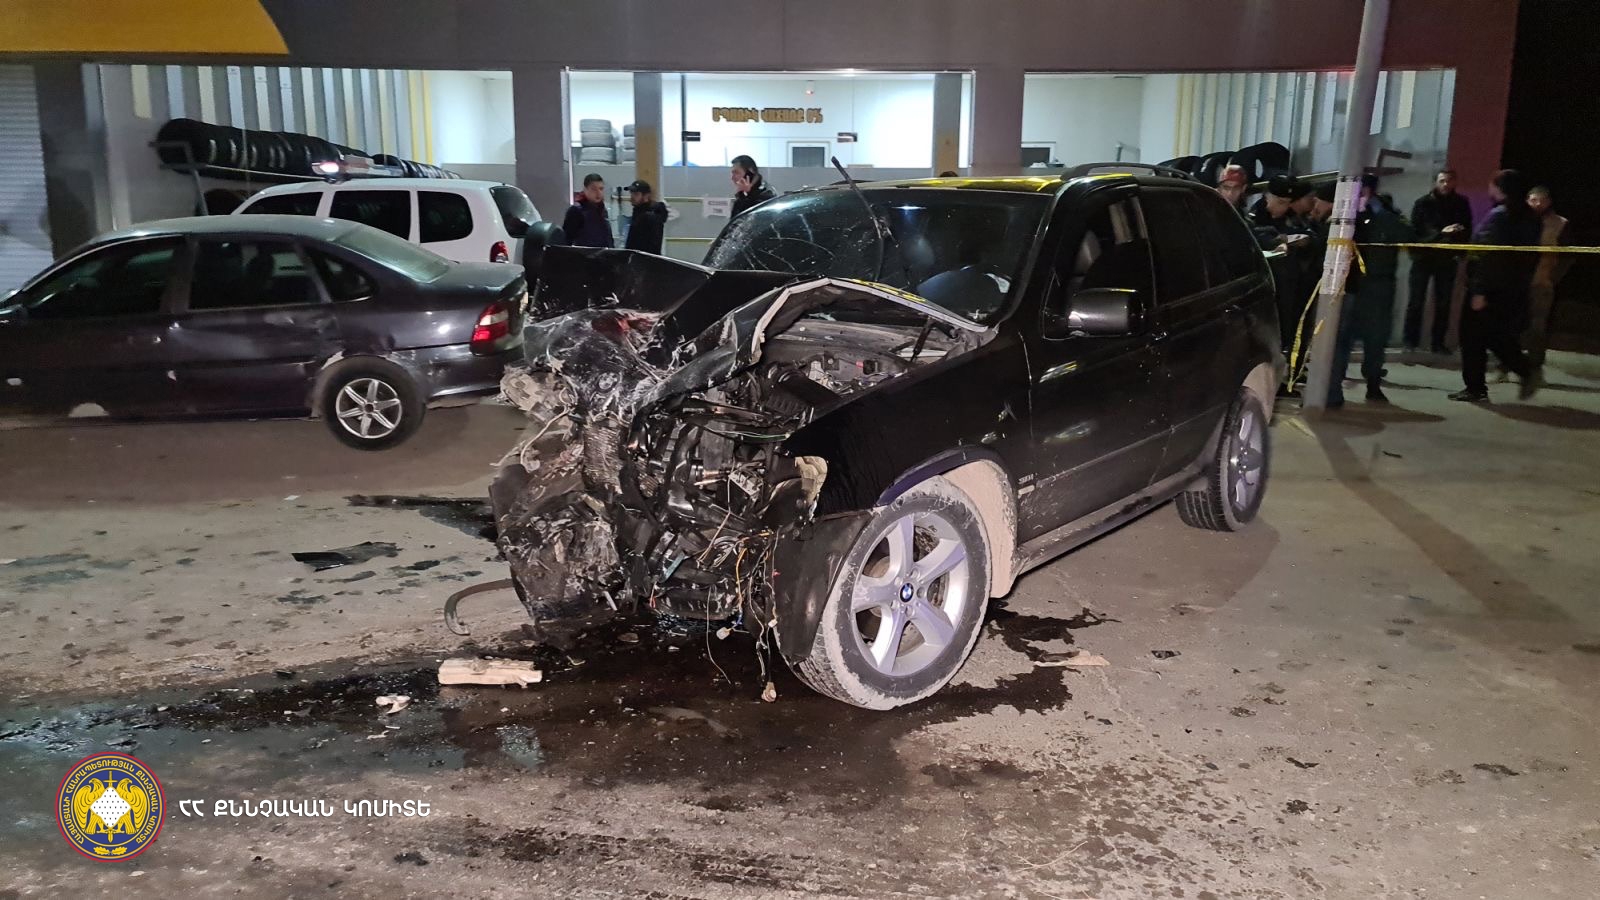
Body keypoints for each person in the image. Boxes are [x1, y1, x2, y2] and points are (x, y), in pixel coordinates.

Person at [1449, 169, 1541, 403]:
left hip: (1488, 288)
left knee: (1474, 337)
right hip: (1511, 287)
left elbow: (1487, 255)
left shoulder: (1500, 216)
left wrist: (1479, 290)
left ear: (1501, 189)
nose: (1489, 188)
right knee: (1494, 334)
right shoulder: (1530, 217)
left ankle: (1482, 385)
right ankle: (1522, 370)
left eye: (1492, 184)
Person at [1327, 175, 1412, 407]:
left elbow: (1408, 236)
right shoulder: (1346, 213)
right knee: (1341, 338)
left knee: (1375, 338)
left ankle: (1373, 384)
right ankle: (1334, 389)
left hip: (1376, 285)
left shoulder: (1386, 215)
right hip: (1348, 284)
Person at [1404, 169, 1473, 353]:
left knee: (1444, 303)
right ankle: (1410, 342)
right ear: (1436, 182)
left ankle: (1438, 343)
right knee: (1416, 301)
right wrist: (1441, 233)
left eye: (1449, 181)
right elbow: (1416, 231)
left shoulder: (1460, 203)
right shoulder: (1423, 203)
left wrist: (1460, 250)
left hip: (1446, 258)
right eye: (1442, 181)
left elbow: (1467, 228)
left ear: (1455, 182)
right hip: (1423, 257)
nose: (1445, 184)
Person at [1522, 185, 1571, 371]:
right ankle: (1506, 366)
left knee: (1537, 327)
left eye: (1541, 200)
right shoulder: (1518, 220)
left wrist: (1553, 277)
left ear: (1549, 202)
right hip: (1516, 281)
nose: (1537, 204)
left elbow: (1568, 256)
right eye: (1533, 200)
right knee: (1511, 325)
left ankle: (1534, 369)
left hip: (1542, 283)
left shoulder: (1560, 224)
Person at [562, 173, 614, 249]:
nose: (598, 193)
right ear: (585, 189)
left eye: (601, 189)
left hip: (604, 254)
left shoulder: (602, 210)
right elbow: (567, 240)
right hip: (582, 254)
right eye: (594, 189)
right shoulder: (576, 211)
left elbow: (608, 238)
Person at [622, 180, 668, 255]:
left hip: (644, 259)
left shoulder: (650, 216)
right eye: (631, 193)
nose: (632, 197)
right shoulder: (638, 212)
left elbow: (651, 245)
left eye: (636, 194)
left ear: (646, 196)